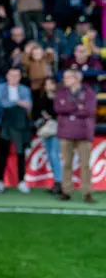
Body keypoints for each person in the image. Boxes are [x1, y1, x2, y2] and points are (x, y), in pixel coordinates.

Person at [54, 69, 97, 203]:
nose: (65, 80)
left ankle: (87, 192)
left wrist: (69, 110)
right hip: (66, 132)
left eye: (68, 77)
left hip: (84, 132)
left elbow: (89, 110)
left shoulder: (89, 92)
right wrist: (77, 107)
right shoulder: (60, 92)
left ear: (76, 79)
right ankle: (66, 191)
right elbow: (58, 109)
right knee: (66, 163)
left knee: (85, 164)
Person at [0, 68, 33, 194]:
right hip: (4, 123)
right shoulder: (0, 88)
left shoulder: (24, 89)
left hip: (20, 125)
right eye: (11, 75)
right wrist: (18, 102)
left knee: (20, 153)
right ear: (7, 76)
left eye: (16, 75)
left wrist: (16, 103)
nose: (14, 77)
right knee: (2, 153)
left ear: (20, 77)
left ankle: (21, 181)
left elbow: (28, 106)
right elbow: (0, 103)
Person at [33, 77, 62, 195]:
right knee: (50, 155)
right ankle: (57, 182)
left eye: (51, 84)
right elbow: (37, 112)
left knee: (55, 154)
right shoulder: (41, 98)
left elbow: (58, 112)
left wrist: (49, 115)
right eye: (46, 84)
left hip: (57, 128)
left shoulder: (60, 97)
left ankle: (60, 182)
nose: (48, 86)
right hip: (45, 129)